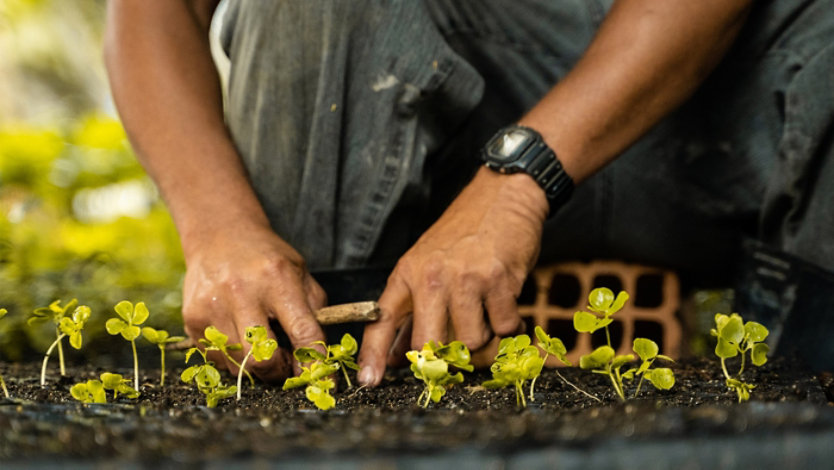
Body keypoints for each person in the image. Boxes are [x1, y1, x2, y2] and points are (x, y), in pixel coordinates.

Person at [104, 0, 834, 385]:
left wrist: (517, 185)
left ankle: (807, 381)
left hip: (713, 117)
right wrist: (217, 229)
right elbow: (150, 10)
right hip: (432, 139)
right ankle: (338, 369)